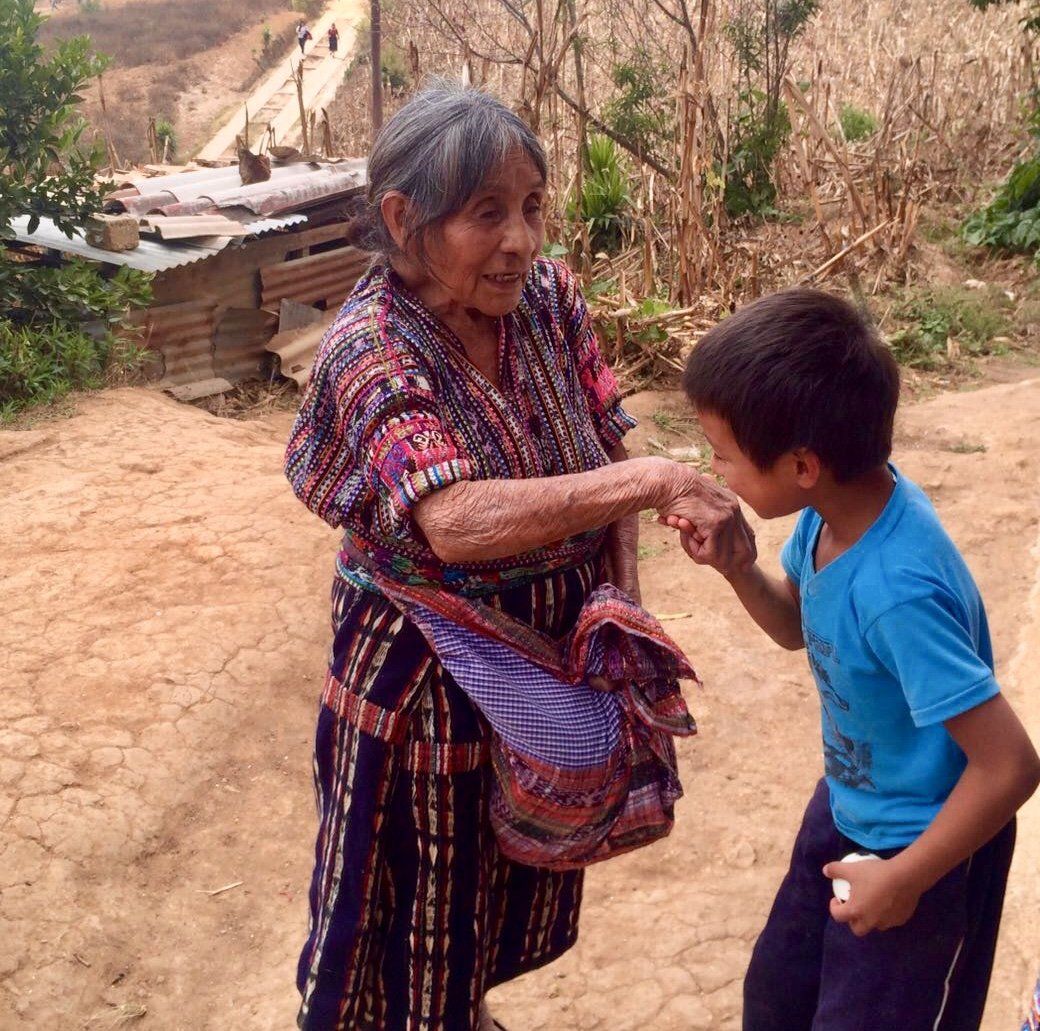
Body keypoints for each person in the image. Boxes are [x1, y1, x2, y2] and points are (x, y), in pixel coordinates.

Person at [284, 82, 749, 1031]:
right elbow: (452, 519)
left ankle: (462, 1008)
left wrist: (619, 609)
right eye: (487, 212)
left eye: (533, 207)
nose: (521, 240)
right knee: (414, 879)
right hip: (424, 664)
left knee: (497, 876)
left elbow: (602, 436)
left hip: (549, 645)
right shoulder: (372, 346)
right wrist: (654, 480)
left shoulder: (548, 297)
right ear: (402, 219)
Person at [660, 288, 1040, 1031]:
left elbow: (1010, 766)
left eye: (724, 455)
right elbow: (797, 626)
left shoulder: (899, 591)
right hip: (847, 808)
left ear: (802, 464)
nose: (715, 470)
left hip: (928, 850)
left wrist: (905, 879)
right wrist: (739, 568)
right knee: (776, 1000)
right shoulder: (832, 516)